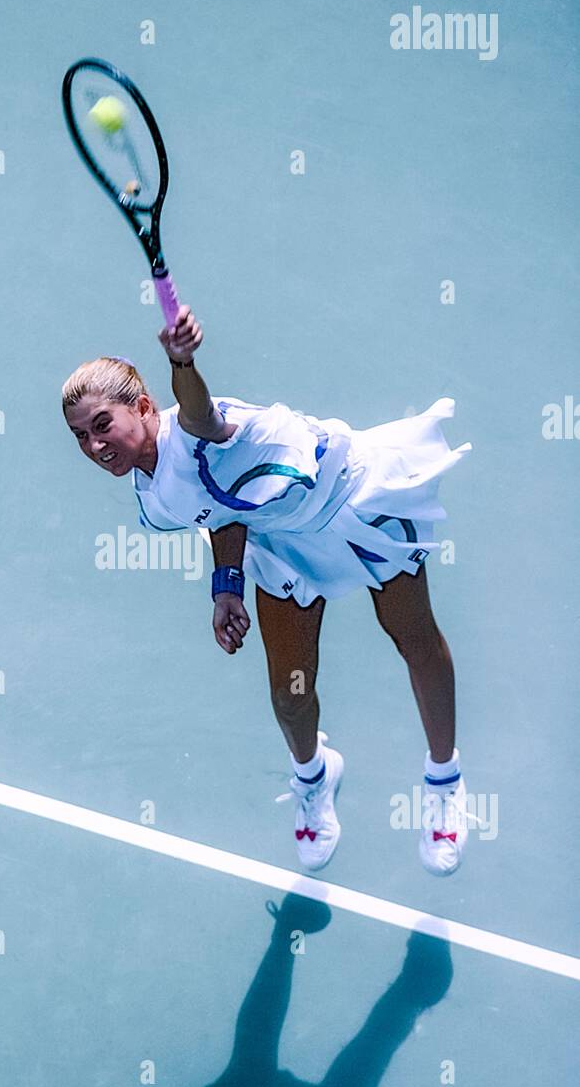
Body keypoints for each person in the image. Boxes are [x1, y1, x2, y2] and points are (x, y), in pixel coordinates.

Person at [62, 306, 472, 875]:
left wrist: (182, 361)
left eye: (102, 424)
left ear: (143, 407)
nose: (94, 445)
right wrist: (226, 584)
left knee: (415, 639)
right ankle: (314, 774)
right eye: (81, 435)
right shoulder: (153, 496)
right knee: (289, 693)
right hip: (283, 541)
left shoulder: (199, 427)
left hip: (356, 500)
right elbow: (221, 510)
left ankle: (444, 780)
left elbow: (201, 413)